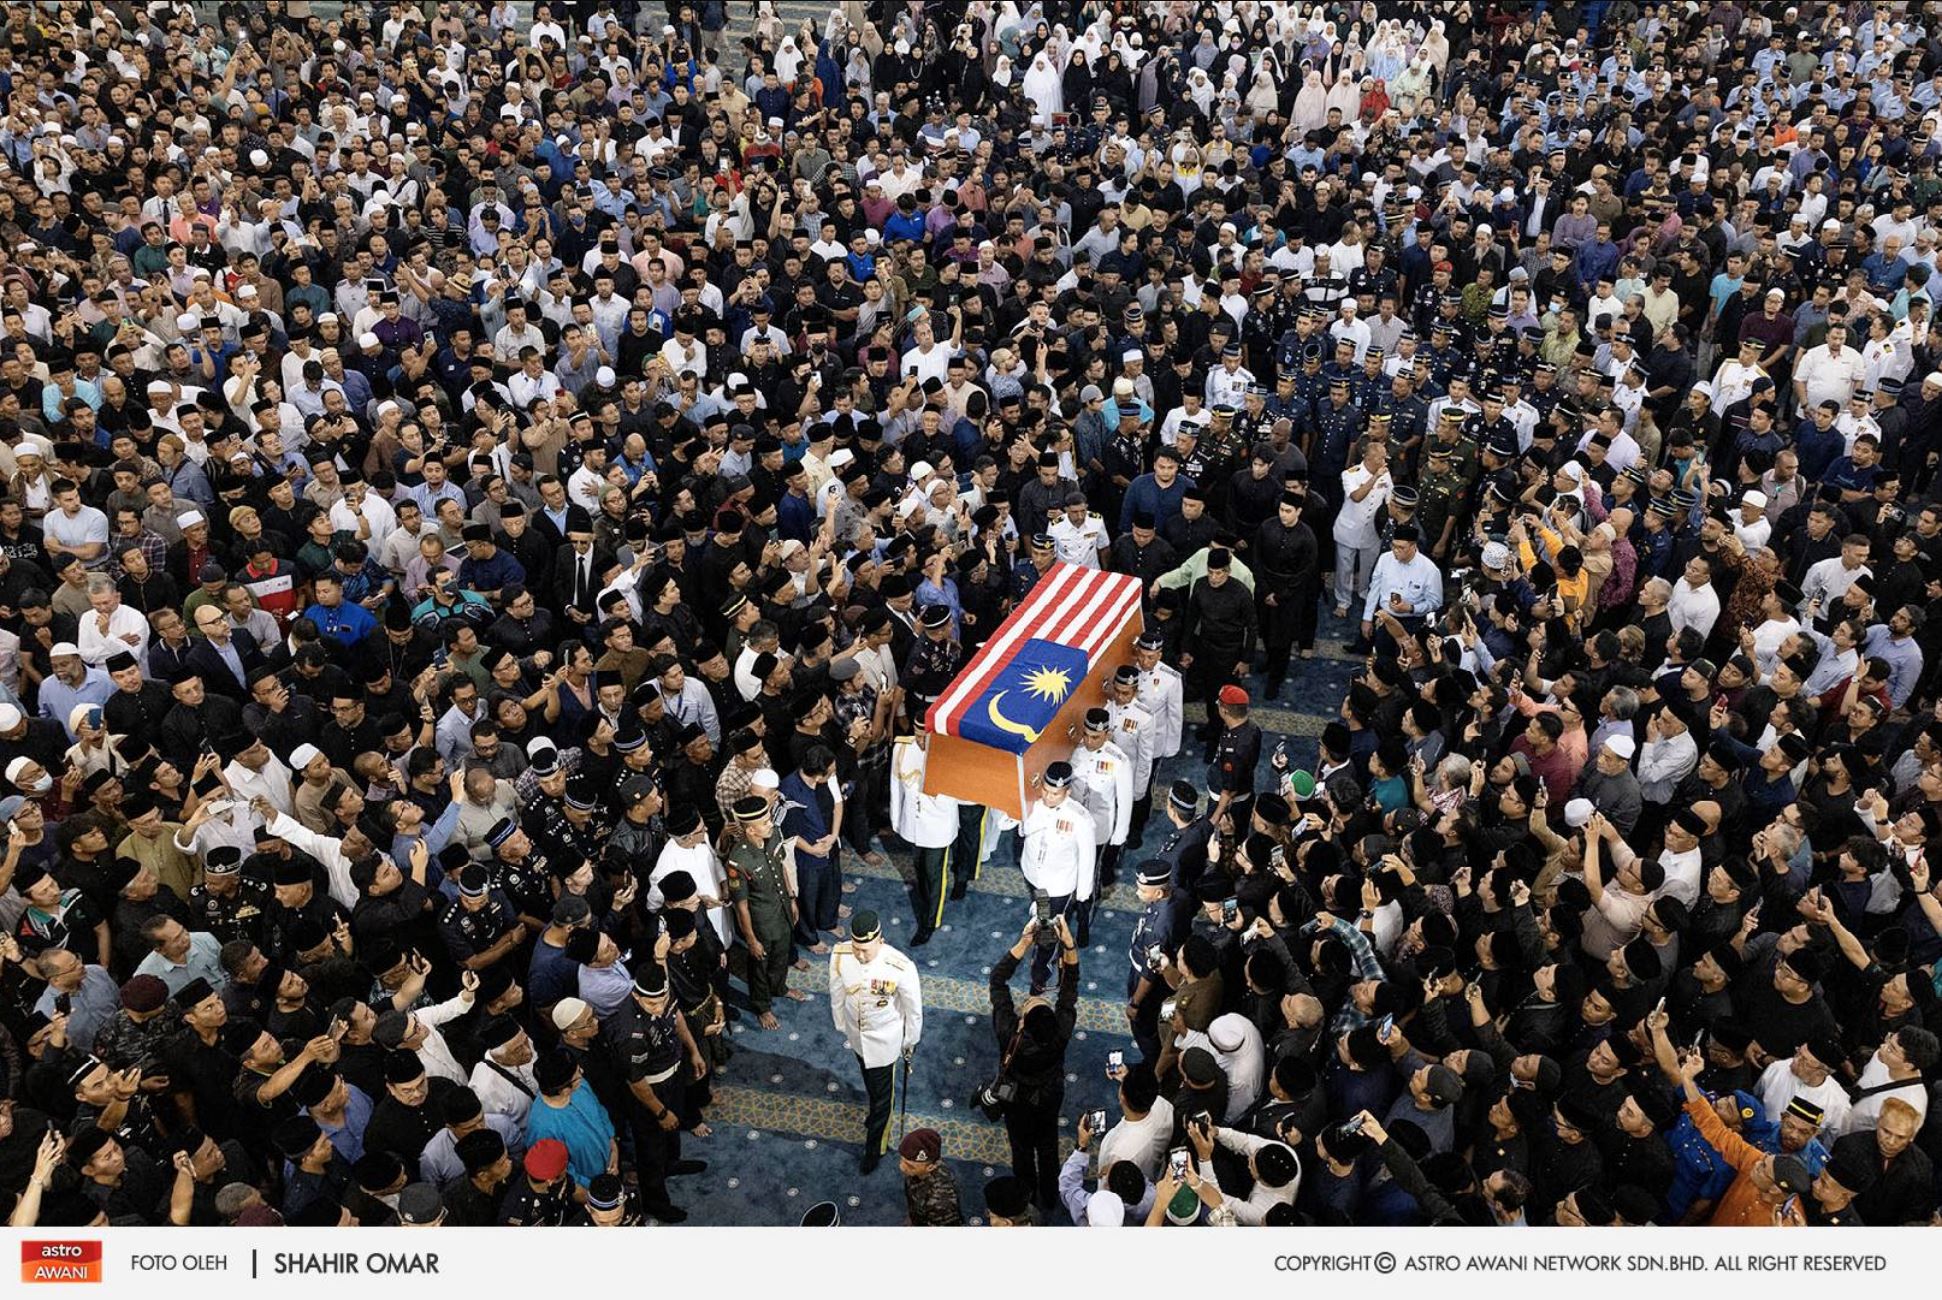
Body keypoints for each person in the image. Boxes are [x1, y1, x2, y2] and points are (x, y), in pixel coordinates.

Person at [988, 916, 1081, 1215]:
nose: (1031, 999)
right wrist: (1069, 943)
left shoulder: (1008, 1032)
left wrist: (1025, 941)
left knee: (1021, 1148)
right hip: (1050, 1095)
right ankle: (1051, 1196)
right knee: (1049, 1145)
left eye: (1029, 1004)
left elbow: (997, 980)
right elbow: (1070, 985)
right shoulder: (1061, 1031)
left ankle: (1026, 1196)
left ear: (1023, 1022)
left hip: (1016, 1099)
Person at [828, 909, 923, 1174]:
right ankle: (874, 1115)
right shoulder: (841, 955)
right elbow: (836, 993)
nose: (859, 955)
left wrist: (909, 1041)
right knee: (871, 1085)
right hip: (857, 1038)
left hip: (884, 1044)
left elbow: (913, 1009)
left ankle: (875, 1148)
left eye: (865, 950)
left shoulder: (899, 966)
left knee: (883, 1100)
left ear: (880, 940)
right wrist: (841, 1026)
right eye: (857, 948)